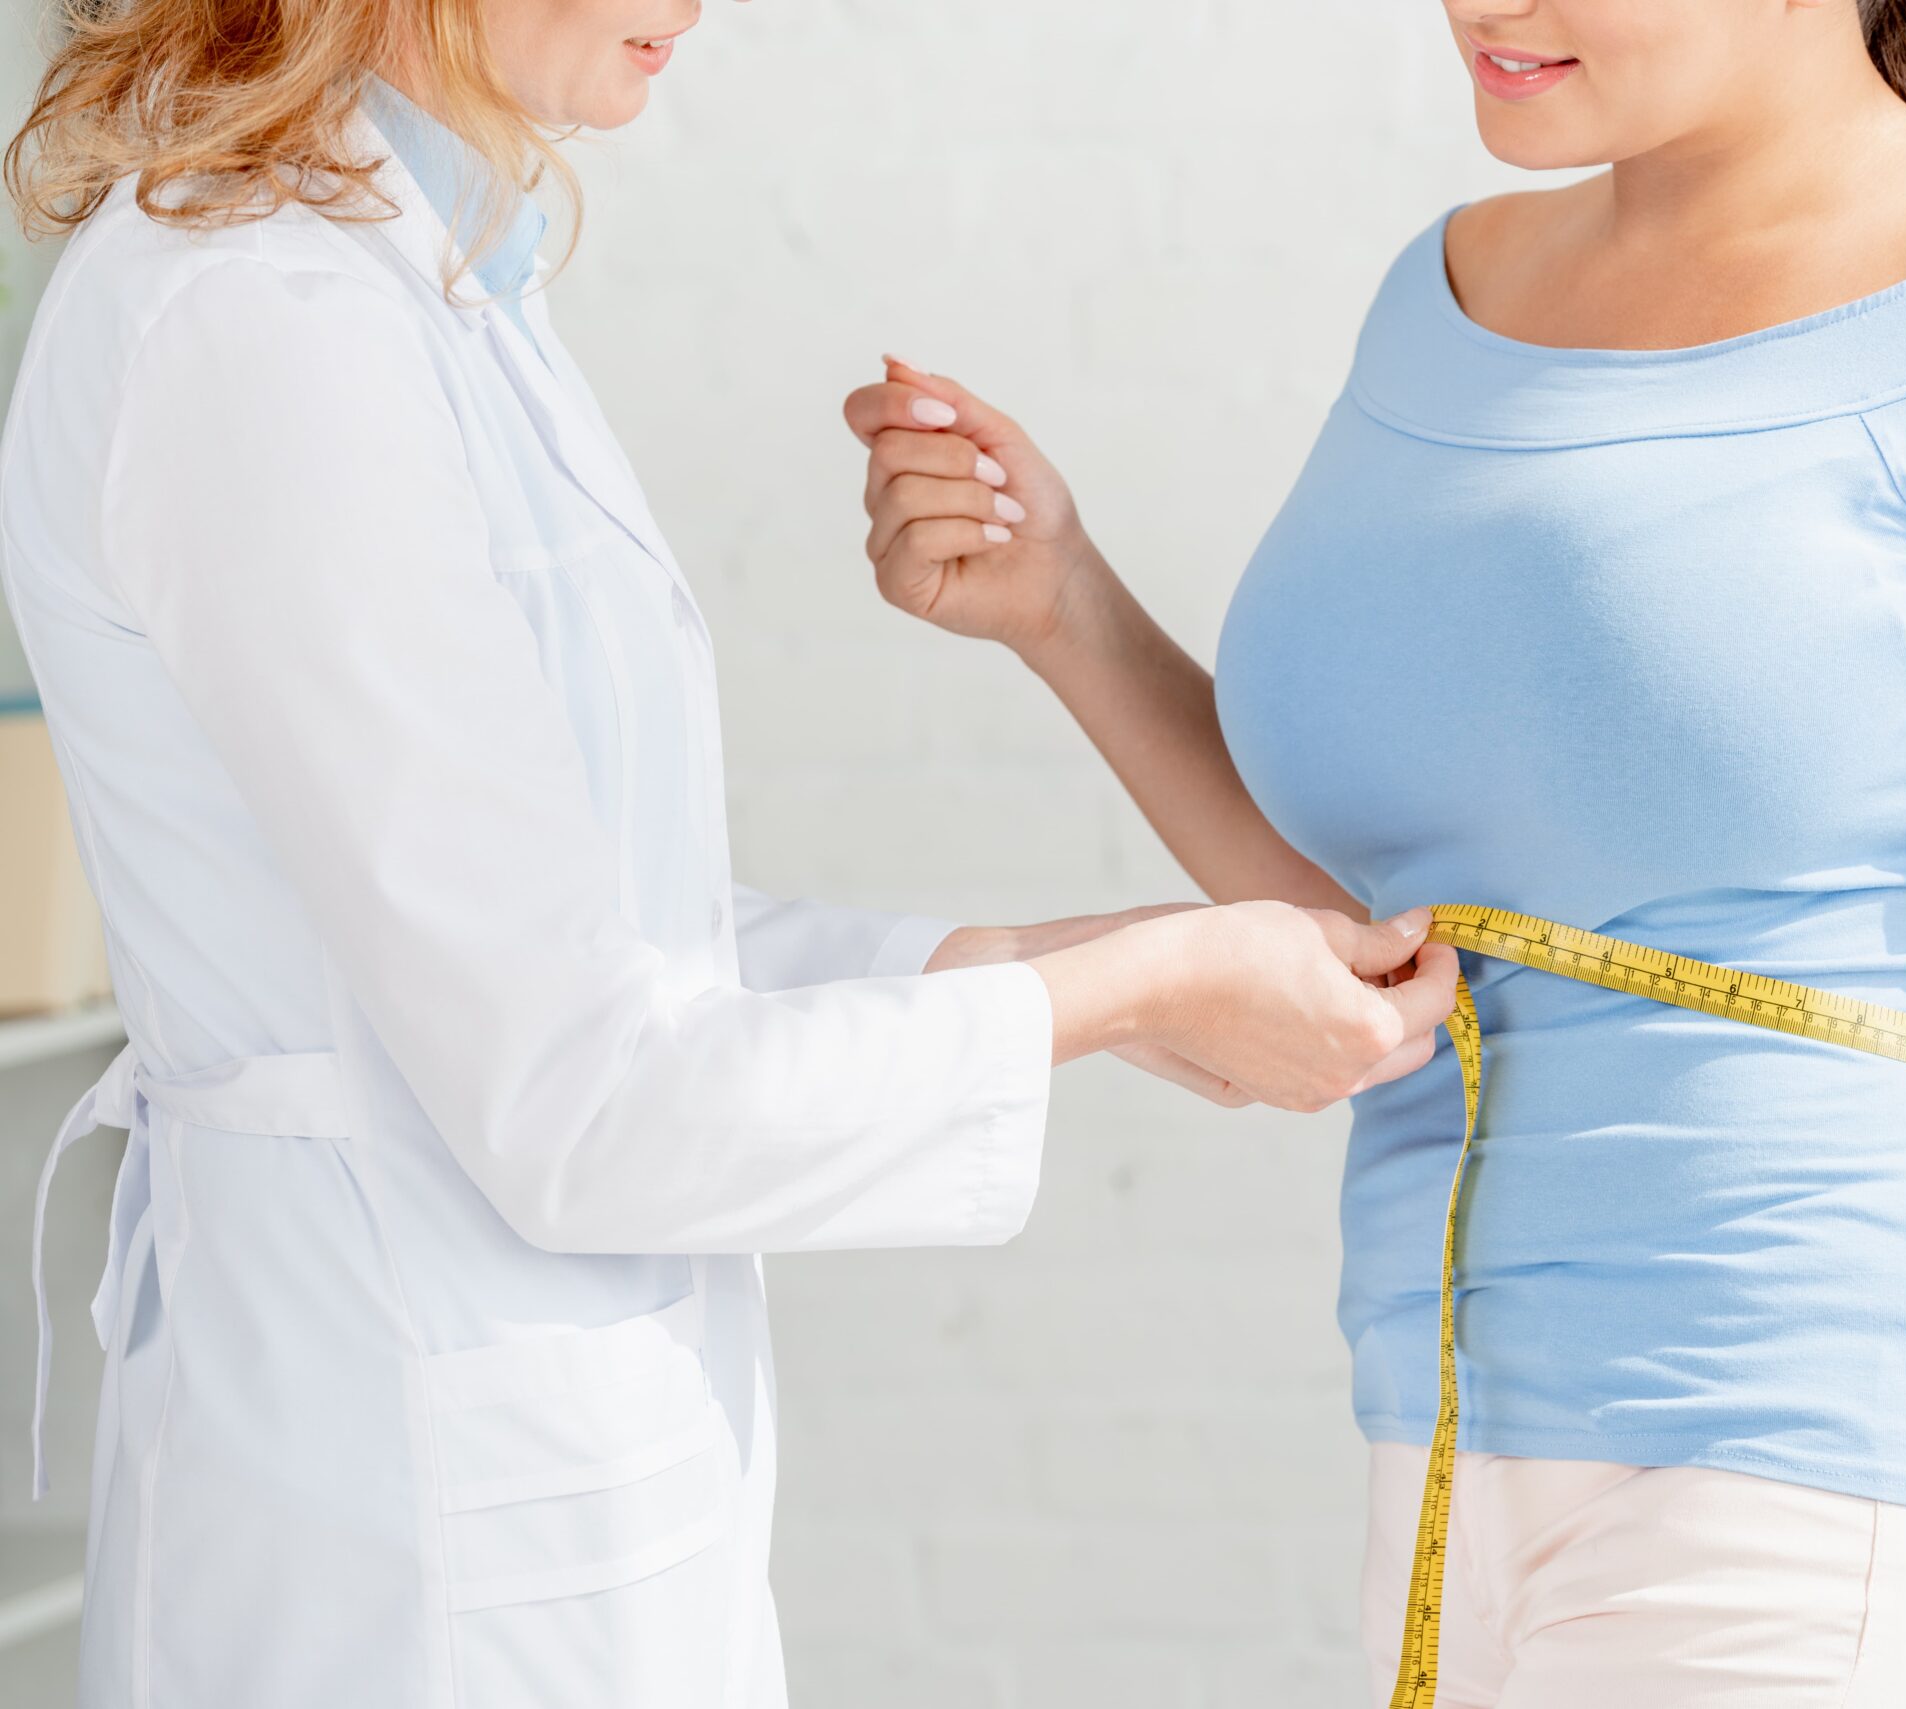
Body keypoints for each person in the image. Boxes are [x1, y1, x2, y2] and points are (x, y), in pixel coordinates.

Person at [846, 1, 1906, 1704]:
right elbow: (1408, 942)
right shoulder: (1447, 293)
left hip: (1820, 1464)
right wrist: (1071, 613)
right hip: (1444, 1436)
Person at [0, 0, 1461, 1703]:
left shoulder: (429, 282)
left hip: (512, 1516)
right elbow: (590, 1093)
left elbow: (597, 936)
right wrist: (1129, 986)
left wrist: (1110, 982)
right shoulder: (263, 323)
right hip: (395, 1565)